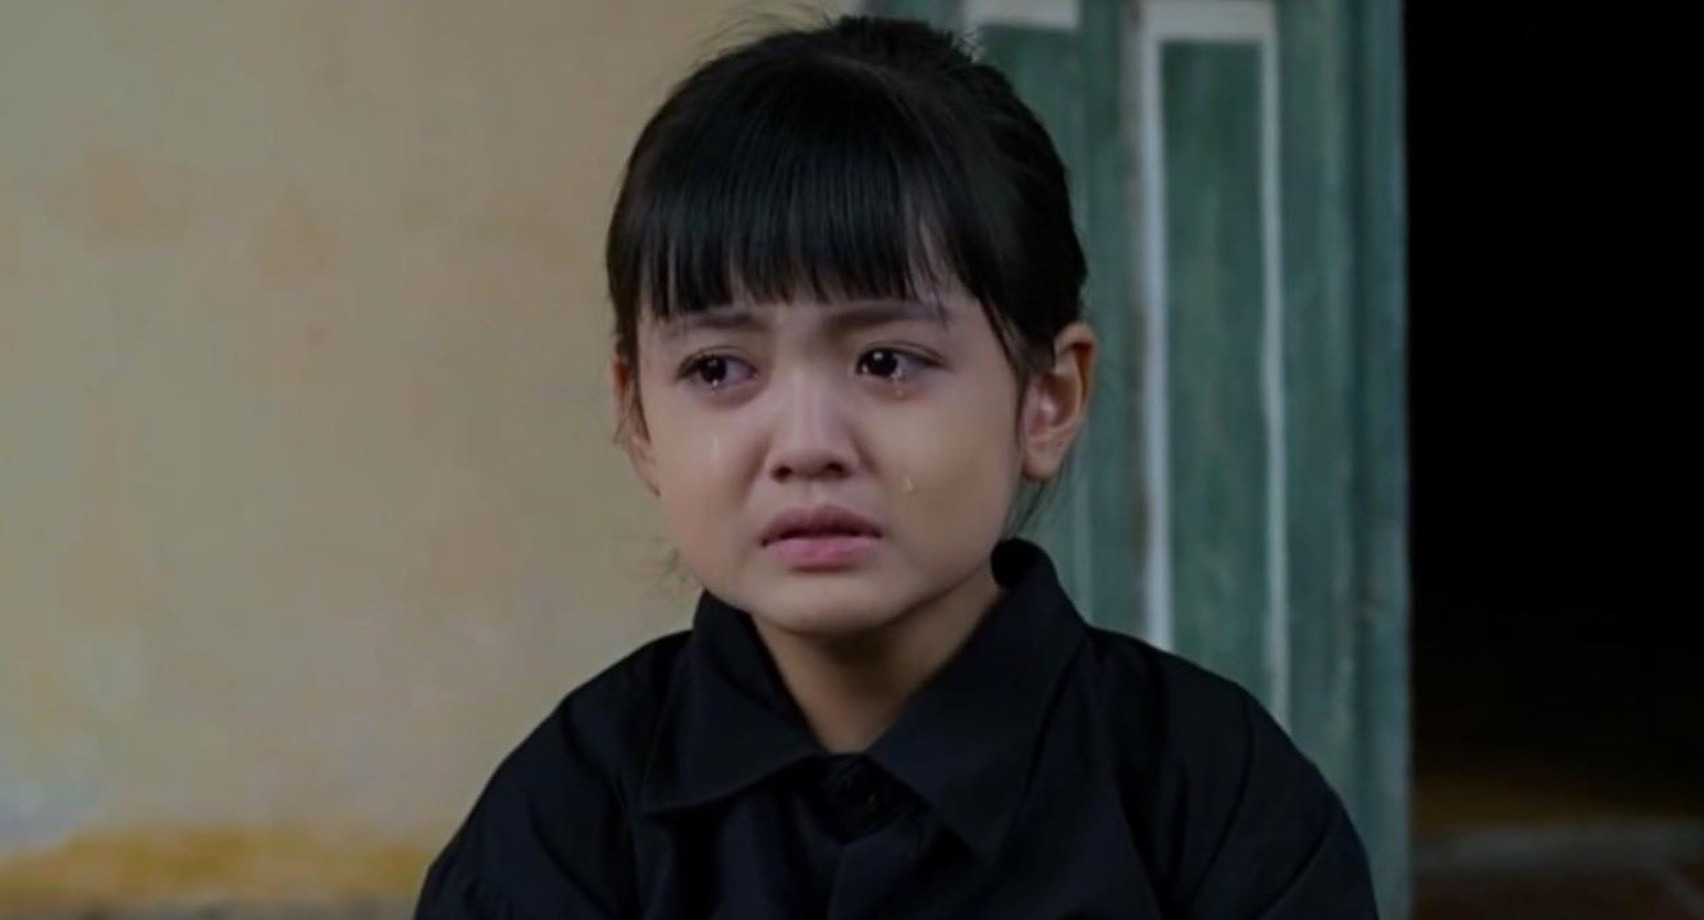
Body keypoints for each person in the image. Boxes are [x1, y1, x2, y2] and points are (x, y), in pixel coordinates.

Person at [414, 14, 1377, 920]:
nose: (806, 445)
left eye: (886, 361)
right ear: (637, 418)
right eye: (718, 369)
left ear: (1047, 398)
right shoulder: (565, 823)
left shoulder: (1212, 806)